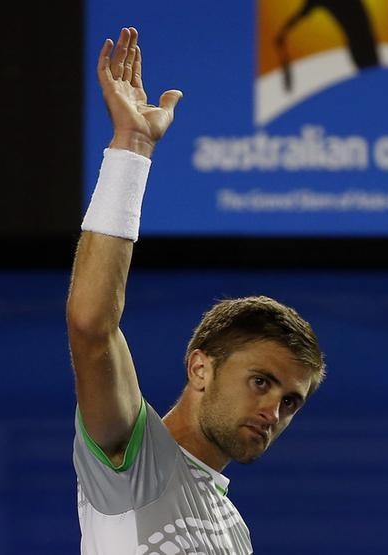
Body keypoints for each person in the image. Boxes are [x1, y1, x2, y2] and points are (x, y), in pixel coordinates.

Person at [66, 27, 326, 554]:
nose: (273, 411)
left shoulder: (234, 529)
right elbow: (93, 327)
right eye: (261, 381)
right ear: (200, 368)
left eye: (290, 401)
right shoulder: (136, 465)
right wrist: (132, 150)